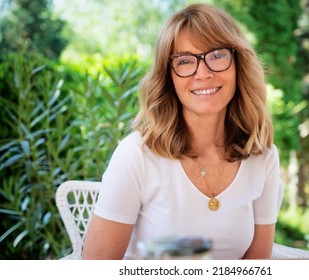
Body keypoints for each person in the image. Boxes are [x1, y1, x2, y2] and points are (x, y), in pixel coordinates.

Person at [82, 3, 283, 260]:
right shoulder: (136, 156)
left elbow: (256, 267)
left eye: (217, 55)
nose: (203, 73)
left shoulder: (263, 156)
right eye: (185, 61)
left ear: (238, 64)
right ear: (169, 77)